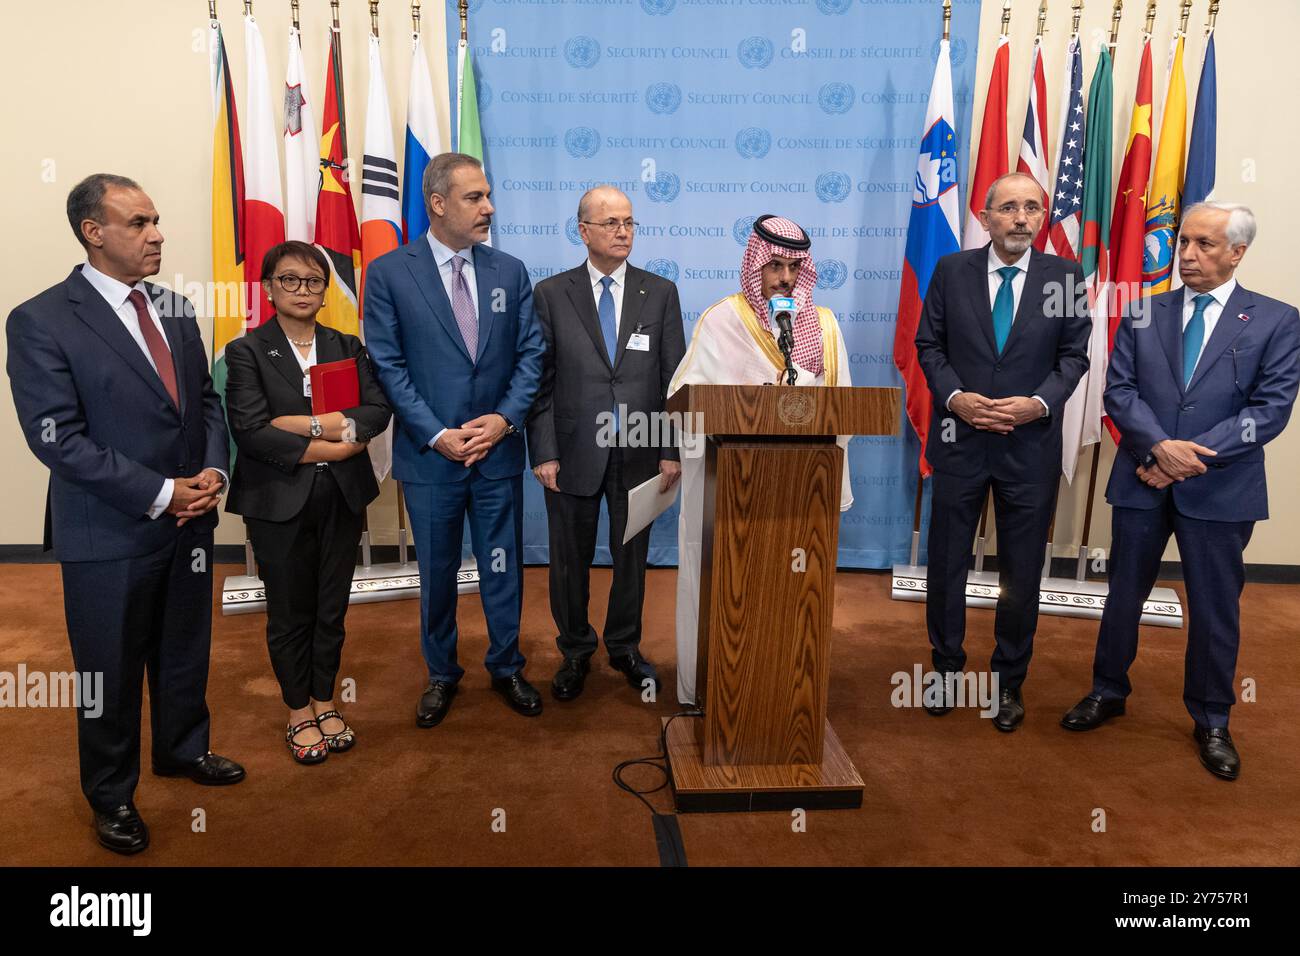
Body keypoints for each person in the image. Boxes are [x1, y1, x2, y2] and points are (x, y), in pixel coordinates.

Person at [6, 173, 244, 855]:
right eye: (139, 222)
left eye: (156, 220)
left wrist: (212, 472)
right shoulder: (41, 319)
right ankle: (111, 794)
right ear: (93, 231)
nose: (157, 234)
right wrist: (163, 492)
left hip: (189, 522)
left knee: (182, 649)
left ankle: (181, 749)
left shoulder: (172, 307)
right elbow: (58, 439)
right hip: (108, 530)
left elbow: (203, 402)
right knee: (107, 672)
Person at [1060, 202, 1300, 780]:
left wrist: (1182, 460)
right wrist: (1158, 449)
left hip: (1220, 489)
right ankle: (1108, 690)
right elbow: (1119, 392)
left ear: (1237, 252)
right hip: (1143, 477)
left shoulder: (1276, 319)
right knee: (1123, 596)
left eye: (1204, 245)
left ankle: (1213, 718)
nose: (1186, 255)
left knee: (1216, 610)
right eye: (1183, 242)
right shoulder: (1144, 312)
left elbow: (1268, 412)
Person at [364, 152, 545, 725]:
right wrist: (437, 433)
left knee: (501, 566)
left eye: (488, 196)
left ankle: (507, 665)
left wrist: (504, 419)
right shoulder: (391, 273)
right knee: (437, 572)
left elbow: (531, 354)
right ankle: (441, 674)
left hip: (496, 454)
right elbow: (387, 366)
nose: (488, 207)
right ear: (438, 204)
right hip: (431, 459)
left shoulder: (509, 271)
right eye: (475, 197)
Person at [914, 171, 1090, 731]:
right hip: (959, 440)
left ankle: (1008, 682)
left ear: (1042, 218)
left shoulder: (1066, 275)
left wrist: (1036, 404)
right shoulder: (950, 271)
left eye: (1031, 208)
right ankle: (944, 668)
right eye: (1008, 207)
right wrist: (957, 397)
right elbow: (928, 344)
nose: (1020, 218)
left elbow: (1074, 358)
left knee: (1022, 573)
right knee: (946, 563)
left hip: (1028, 446)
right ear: (985, 217)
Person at [667, 214, 853, 706]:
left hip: (798, 500)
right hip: (730, 499)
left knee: (793, 598)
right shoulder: (722, 321)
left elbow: (846, 412)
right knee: (729, 597)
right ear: (754, 265)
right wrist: (751, 402)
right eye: (773, 266)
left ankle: (784, 696)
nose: (785, 278)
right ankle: (712, 694)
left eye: (794, 268)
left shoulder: (825, 329)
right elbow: (684, 402)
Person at [224, 241, 392, 764]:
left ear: (325, 290)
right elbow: (253, 431)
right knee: (290, 611)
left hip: (342, 497)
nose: (303, 290)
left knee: (331, 607)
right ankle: (298, 709)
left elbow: (376, 410)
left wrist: (303, 425)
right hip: (277, 502)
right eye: (290, 280)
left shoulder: (347, 345)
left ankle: (326, 699)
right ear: (269, 287)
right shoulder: (246, 350)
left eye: (313, 281)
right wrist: (334, 436)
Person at [526, 186, 686, 701]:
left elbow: (673, 381)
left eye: (630, 222)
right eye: (612, 222)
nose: (623, 232)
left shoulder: (659, 292)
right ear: (584, 231)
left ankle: (623, 646)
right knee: (568, 560)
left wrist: (670, 448)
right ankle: (575, 650)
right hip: (571, 452)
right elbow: (540, 381)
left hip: (640, 452)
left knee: (631, 558)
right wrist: (544, 450)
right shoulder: (551, 293)